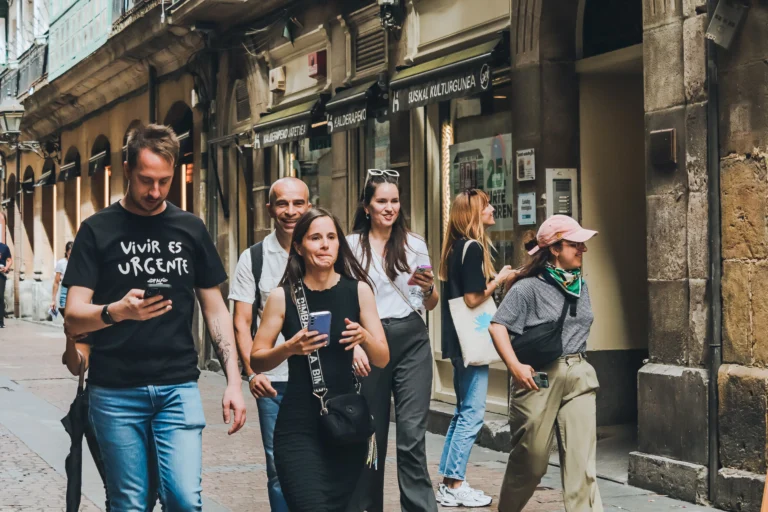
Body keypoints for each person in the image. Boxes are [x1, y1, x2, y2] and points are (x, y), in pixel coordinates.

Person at [63, 123, 246, 511]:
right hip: (115, 390)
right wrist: (117, 312)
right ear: (126, 168)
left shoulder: (190, 228)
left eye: (164, 181)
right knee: (130, 503)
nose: (155, 191)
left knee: (184, 498)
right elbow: (74, 315)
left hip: (177, 386)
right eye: (146, 180)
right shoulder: (97, 230)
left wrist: (233, 382)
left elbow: (215, 308)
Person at [251, 207, 389, 512]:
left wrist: (364, 338)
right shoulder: (282, 296)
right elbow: (257, 359)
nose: (325, 244)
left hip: (346, 426)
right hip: (298, 426)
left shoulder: (359, 291)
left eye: (331, 237)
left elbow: (382, 358)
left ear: (340, 244)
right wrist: (289, 347)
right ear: (299, 246)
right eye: (315, 238)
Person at [489, 215, 601, 512]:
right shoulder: (527, 288)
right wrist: (514, 366)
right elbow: (497, 326)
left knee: (582, 467)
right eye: (575, 244)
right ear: (554, 248)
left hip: (579, 375)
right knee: (532, 461)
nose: (582, 250)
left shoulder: (581, 286)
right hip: (538, 378)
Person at [346, 169, 439, 512]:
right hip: (370, 341)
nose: (389, 207)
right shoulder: (351, 245)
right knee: (372, 435)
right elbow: (345, 301)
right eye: (381, 201)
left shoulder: (414, 243)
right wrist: (355, 343)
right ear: (367, 206)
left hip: (412, 341)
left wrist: (429, 288)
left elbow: (429, 302)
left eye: (395, 200)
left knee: (412, 437)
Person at [229, 177, 310, 512]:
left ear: (308, 205)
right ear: (270, 208)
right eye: (282, 204)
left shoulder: (325, 247)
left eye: (297, 204)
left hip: (320, 379)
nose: (290, 212)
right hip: (274, 383)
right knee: (279, 469)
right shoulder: (254, 258)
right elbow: (241, 322)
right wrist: (251, 373)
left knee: (322, 462)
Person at [436, 188, 515, 507]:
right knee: (471, 413)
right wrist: (499, 280)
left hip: (458, 344)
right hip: (470, 345)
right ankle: (455, 483)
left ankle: (449, 480)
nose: (492, 208)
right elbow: (472, 298)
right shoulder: (470, 248)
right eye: (486, 205)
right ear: (472, 214)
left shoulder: (455, 248)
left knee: (461, 412)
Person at [52, 241, 74, 318]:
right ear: (66, 253)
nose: (71, 257)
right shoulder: (61, 263)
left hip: (75, 291)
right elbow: (56, 282)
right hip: (64, 291)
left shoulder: (78, 263)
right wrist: (53, 300)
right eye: (69, 254)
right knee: (67, 318)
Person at [0, 239, 11, 328]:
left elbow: (9, 260)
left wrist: (6, 268)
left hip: (1, 275)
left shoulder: (4, 247)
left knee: (0, 297)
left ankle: (0, 321)